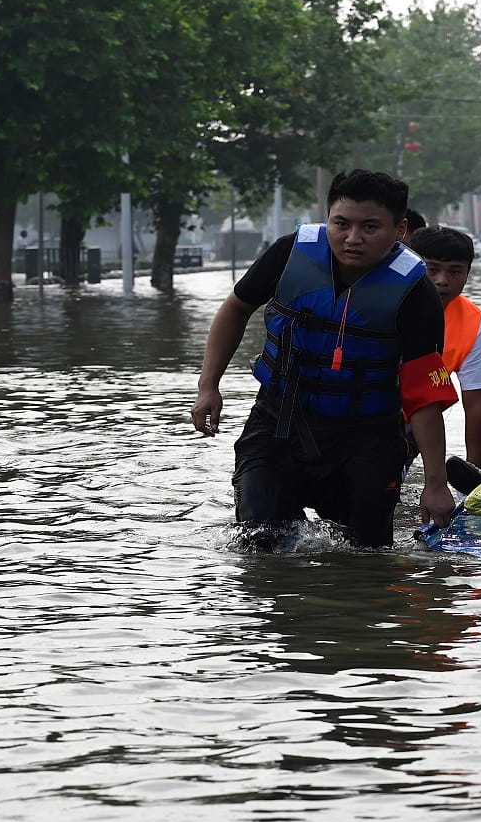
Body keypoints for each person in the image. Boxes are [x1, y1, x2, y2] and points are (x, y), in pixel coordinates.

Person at [189, 169, 456, 545]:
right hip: (279, 420)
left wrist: (435, 484)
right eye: (341, 224)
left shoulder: (415, 291)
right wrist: (208, 386)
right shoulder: (290, 252)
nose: (352, 239)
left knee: (367, 556)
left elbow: (425, 396)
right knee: (258, 539)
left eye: (370, 227)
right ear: (326, 217)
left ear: (399, 230)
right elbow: (235, 308)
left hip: (367, 434)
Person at [405, 225, 481, 468]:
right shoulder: (377, 302)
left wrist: (474, 485)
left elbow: (477, 410)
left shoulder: (474, 324)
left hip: (410, 425)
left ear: (467, 274)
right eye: (431, 270)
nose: (442, 281)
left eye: (455, 271)